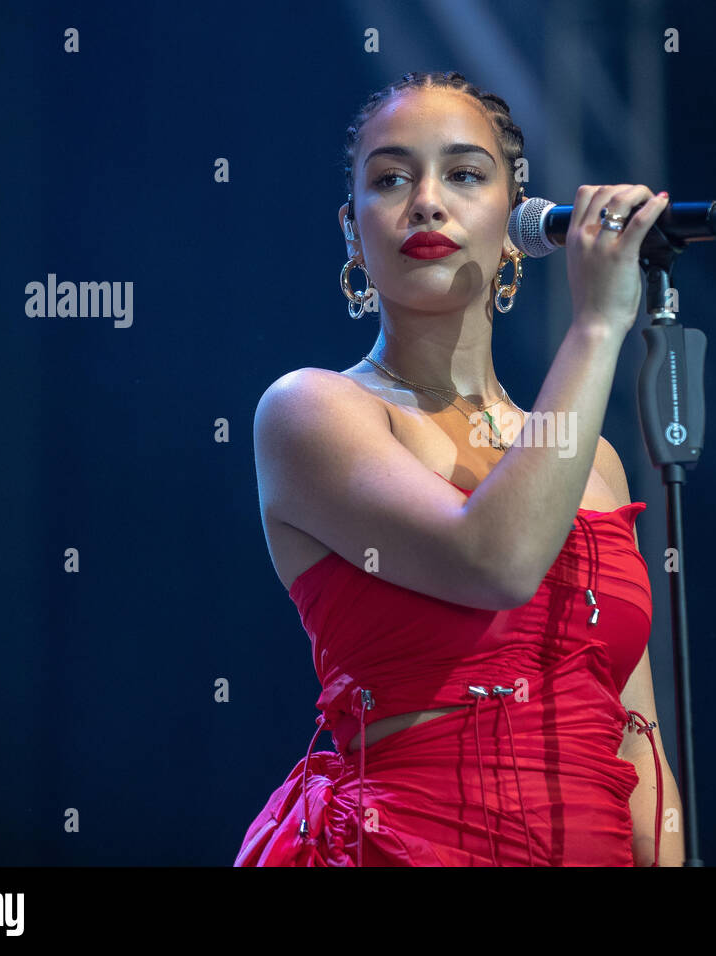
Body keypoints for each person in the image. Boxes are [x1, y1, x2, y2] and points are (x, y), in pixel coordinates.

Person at [235, 70, 684, 866]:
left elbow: (635, 737)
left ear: (517, 226)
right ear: (351, 231)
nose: (427, 202)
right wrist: (595, 327)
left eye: (465, 174)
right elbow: (496, 560)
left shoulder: (597, 464)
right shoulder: (313, 410)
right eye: (390, 178)